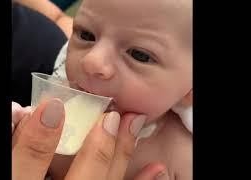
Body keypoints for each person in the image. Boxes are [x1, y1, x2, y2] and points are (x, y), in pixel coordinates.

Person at [13, 0, 192, 179]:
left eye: (139, 55)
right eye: (86, 35)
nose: (91, 61)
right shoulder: (59, 108)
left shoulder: (181, 158)